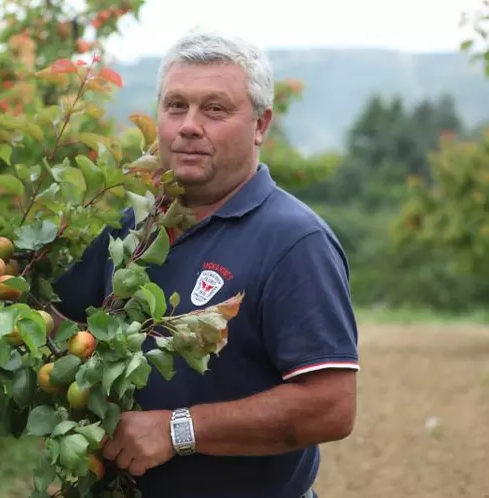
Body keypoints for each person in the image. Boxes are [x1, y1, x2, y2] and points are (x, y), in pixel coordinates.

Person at [49, 31, 359, 498]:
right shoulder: (133, 225)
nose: (189, 125)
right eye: (176, 106)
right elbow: (60, 325)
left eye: (214, 110)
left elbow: (330, 407)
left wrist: (177, 431)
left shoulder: (295, 242)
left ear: (260, 125)